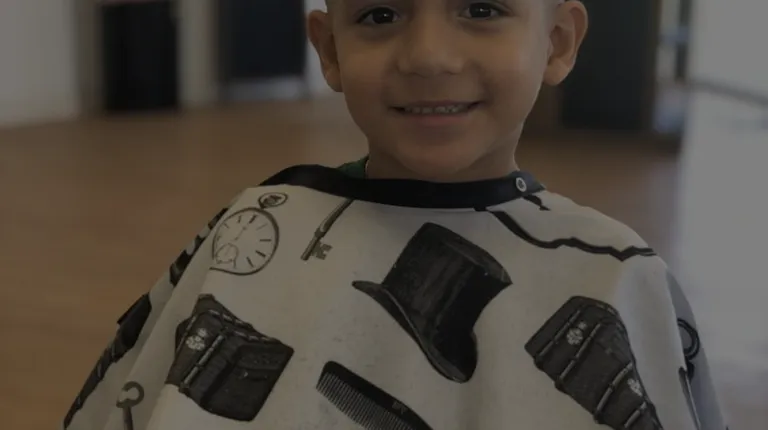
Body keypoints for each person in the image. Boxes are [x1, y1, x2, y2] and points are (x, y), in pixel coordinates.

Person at [62, 0, 729, 429]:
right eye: (380, 14)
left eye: (481, 8)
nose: (428, 57)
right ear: (330, 50)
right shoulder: (256, 228)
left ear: (556, 41)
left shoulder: (617, 274)